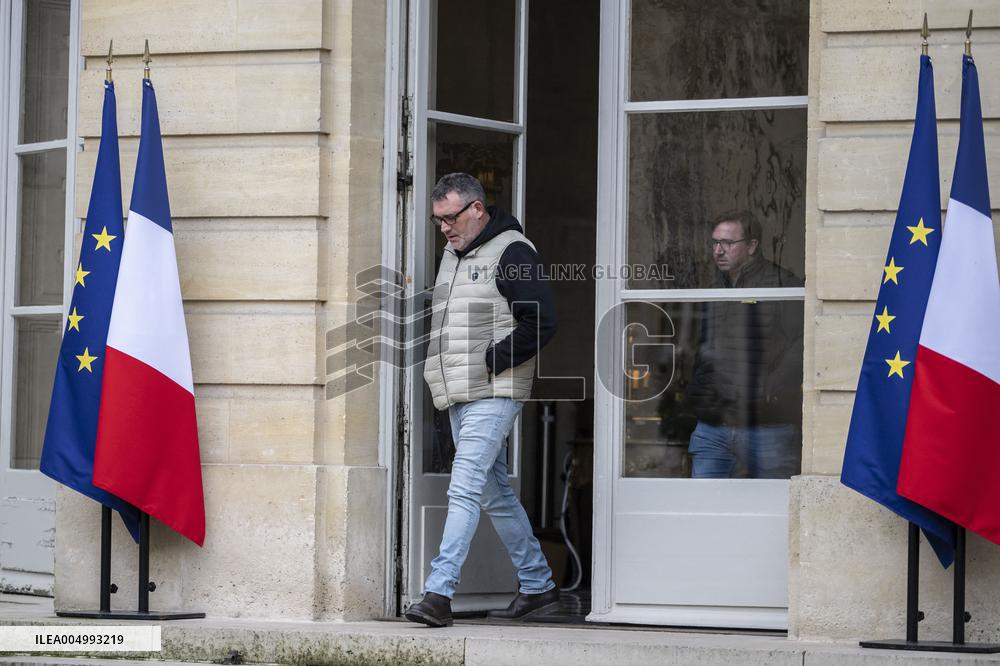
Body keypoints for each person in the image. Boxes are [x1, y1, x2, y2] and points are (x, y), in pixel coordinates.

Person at [405, 173, 559, 627]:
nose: (444, 228)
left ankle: (439, 593)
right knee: (494, 494)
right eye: (438, 221)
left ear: (477, 208)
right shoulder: (454, 255)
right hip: (460, 391)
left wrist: (493, 360)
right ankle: (538, 586)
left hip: (495, 390)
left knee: (465, 485)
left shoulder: (512, 251)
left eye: (450, 218)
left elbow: (542, 322)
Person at [686, 210, 804, 479]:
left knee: (771, 511)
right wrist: (700, 389)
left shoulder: (782, 285)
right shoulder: (713, 287)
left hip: (766, 426)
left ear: (751, 246)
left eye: (727, 243)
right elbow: (703, 346)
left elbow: (804, 343)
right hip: (713, 424)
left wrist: (770, 387)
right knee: (702, 509)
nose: (718, 250)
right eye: (715, 242)